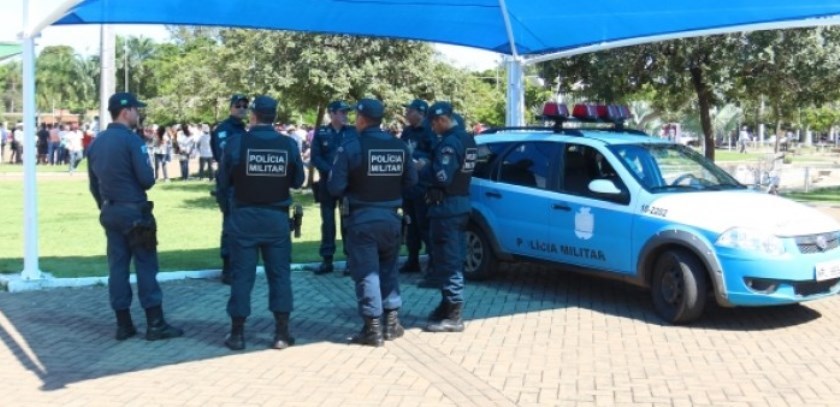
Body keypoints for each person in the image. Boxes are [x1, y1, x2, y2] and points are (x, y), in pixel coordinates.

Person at [87, 92, 184, 342]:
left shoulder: (97, 142)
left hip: (111, 210)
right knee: (145, 266)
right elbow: (147, 180)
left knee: (117, 268)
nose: (138, 114)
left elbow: (93, 184)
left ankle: (123, 325)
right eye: (136, 110)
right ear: (125, 111)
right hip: (134, 212)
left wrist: (105, 206)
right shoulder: (132, 141)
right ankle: (155, 324)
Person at [217, 95, 304, 351]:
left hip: (244, 217)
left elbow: (222, 183)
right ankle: (281, 333)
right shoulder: (288, 145)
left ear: (253, 116)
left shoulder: (236, 143)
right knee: (279, 276)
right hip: (275, 218)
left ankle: (237, 334)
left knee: (242, 276)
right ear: (273, 117)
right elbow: (298, 180)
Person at [328, 98, 417, 346]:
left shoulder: (351, 147)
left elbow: (335, 187)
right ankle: (391, 323)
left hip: (362, 219)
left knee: (367, 273)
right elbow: (412, 182)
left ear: (362, 118)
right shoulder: (399, 147)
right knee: (389, 271)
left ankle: (373, 328)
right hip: (391, 218)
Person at [416, 102, 477, 333]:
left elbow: (442, 176)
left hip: (447, 208)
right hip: (459, 205)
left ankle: (454, 315)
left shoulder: (449, 144)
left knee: (449, 260)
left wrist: (423, 167)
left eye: (433, 123)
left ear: (442, 120)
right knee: (448, 258)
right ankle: (446, 305)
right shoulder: (467, 139)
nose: (432, 128)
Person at [311, 100, 357, 275]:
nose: (346, 115)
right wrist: (331, 172)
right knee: (328, 222)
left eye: (347, 112)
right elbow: (316, 157)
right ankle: (327, 260)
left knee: (348, 222)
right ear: (332, 113)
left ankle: (350, 261)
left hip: (347, 185)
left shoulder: (352, 132)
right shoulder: (322, 132)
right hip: (327, 185)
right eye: (342, 112)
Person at [212, 94, 250, 284]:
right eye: (238, 105)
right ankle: (227, 269)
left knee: (243, 227)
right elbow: (223, 157)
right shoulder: (223, 130)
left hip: (244, 186)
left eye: (245, 105)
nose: (242, 108)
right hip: (229, 187)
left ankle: (239, 266)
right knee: (229, 227)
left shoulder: (245, 130)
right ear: (230, 108)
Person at [398, 99, 436, 275]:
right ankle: (412, 260)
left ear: (420, 113)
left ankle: (433, 262)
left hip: (424, 186)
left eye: (410, 110)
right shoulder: (407, 131)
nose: (406, 114)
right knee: (410, 224)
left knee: (425, 225)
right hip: (408, 186)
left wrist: (425, 161)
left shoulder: (430, 131)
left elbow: (436, 154)